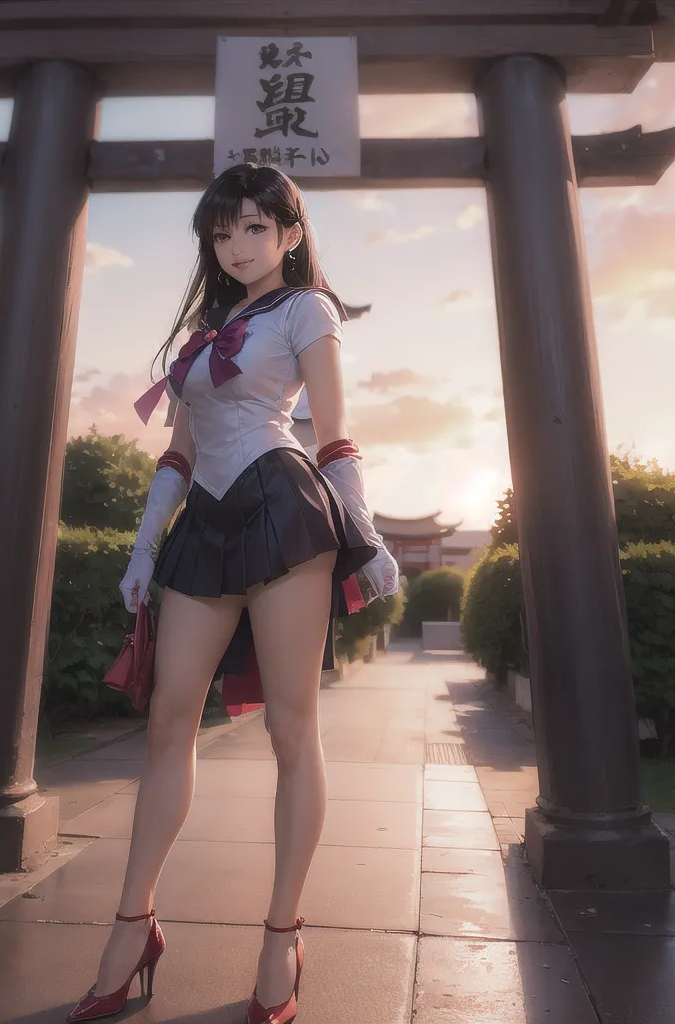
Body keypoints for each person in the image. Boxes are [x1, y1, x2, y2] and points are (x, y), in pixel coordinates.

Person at [65, 164, 400, 1024]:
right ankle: (133, 923)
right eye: (223, 231)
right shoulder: (208, 329)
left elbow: (332, 433)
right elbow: (177, 451)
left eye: (256, 227)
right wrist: (144, 550)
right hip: (203, 524)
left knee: (293, 728)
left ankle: (282, 935)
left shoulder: (306, 310)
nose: (237, 245)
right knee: (171, 717)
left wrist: (366, 535)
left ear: (291, 233)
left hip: (284, 511)